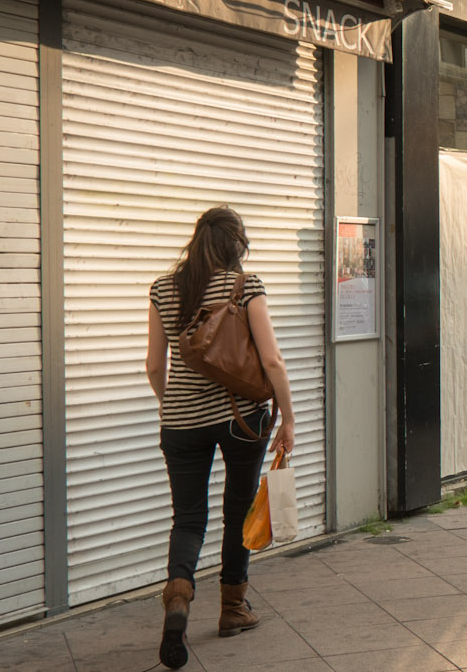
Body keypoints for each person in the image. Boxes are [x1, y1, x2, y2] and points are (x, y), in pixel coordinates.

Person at [145, 207, 295, 669]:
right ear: (236, 244)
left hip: (180, 423)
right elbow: (272, 361)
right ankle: (233, 609)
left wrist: (172, 404)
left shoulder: (163, 289)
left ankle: (178, 596)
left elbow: (154, 366)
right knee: (238, 510)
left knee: (188, 518)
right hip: (240, 419)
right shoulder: (243, 285)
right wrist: (288, 417)